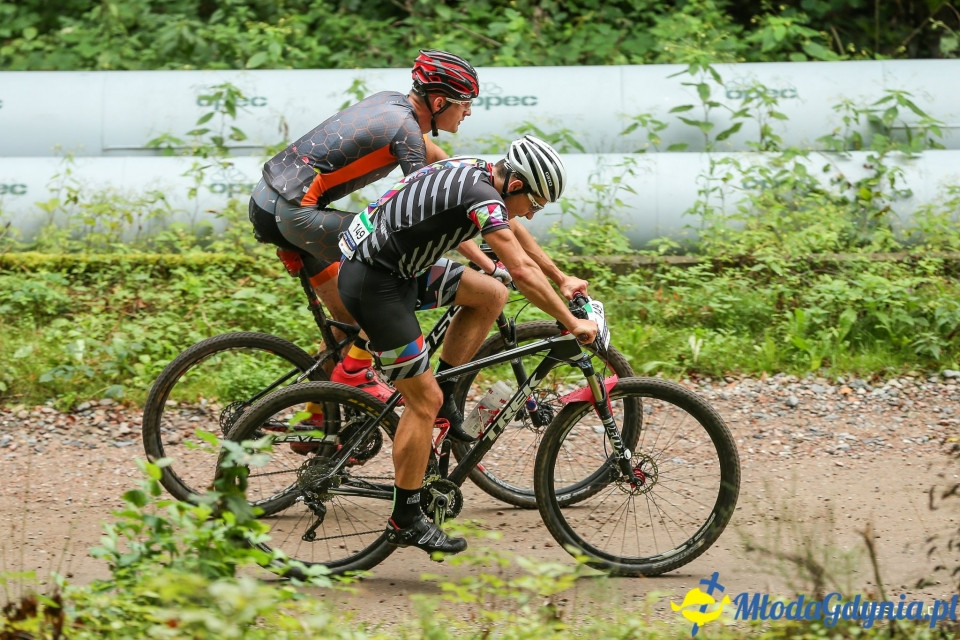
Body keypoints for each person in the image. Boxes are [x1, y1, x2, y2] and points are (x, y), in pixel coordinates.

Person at [337, 135, 599, 556]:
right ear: (516, 185)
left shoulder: (482, 173)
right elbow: (521, 269)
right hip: (376, 285)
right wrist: (570, 322)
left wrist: (561, 277)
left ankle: (446, 397)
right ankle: (405, 519)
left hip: (397, 268)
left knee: (491, 294)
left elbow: (512, 229)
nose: (532, 213)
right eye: (535, 203)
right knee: (422, 402)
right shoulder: (481, 194)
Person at [248, 49, 487, 401]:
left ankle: (319, 416)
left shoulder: (391, 103)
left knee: (349, 318)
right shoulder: (407, 132)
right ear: (439, 103)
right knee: (383, 272)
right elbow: (433, 210)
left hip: (268, 201)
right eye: (465, 103)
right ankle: (356, 373)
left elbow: (444, 168)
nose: (468, 112)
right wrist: (484, 261)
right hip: (294, 213)